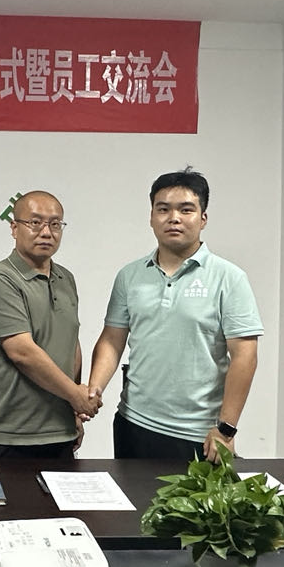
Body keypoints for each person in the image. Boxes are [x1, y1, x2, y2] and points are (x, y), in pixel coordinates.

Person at [88, 168, 262, 462]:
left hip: (199, 434)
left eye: (186, 209)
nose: (174, 218)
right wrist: (94, 389)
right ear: (151, 217)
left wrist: (226, 429)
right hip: (133, 424)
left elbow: (245, 356)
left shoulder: (229, 278)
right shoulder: (129, 276)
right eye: (163, 209)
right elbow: (112, 340)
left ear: (203, 218)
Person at [0, 190, 100, 460]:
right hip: (10, 434)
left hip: (60, 430)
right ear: (14, 228)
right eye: (35, 222)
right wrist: (76, 395)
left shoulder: (66, 278)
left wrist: (74, 410)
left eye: (55, 224)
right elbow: (22, 352)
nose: (46, 232)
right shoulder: (1, 278)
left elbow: (71, 342)